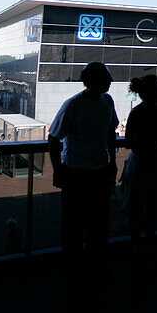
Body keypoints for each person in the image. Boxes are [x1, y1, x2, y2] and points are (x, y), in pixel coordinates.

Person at [48, 62, 119, 271]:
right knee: (76, 225)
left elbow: (109, 133)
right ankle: (79, 268)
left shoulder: (107, 101)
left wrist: (112, 163)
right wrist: (59, 170)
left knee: (96, 224)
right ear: (93, 81)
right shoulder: (73, 105)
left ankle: (88, 267)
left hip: (97, 172)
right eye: (106, 79)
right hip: (76, 174)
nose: (110, 82)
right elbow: (54, 139)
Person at [123, 74, 157, 259]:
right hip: (149, 160)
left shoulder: (139, 112)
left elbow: (129, 141)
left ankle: (141, 248)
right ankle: (146, 247)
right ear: (152, 92)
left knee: (143, 204)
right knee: (147, 204)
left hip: (145, 159)